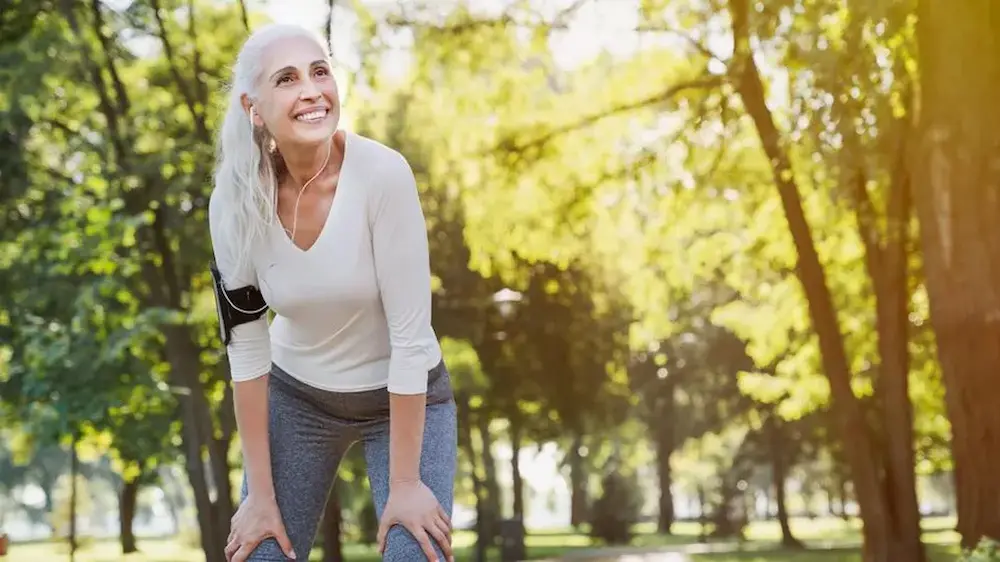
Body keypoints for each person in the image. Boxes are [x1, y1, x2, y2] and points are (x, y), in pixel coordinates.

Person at [208, 23, 456, 562]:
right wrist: (260, 495)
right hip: (300, 399)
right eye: (288, 79)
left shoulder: (383, 175)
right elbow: (247, 351)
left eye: (320, 71)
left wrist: (407, 484)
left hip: (407, 400)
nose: (312, 90)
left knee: (414, 553)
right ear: (254, 107)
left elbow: (411, 338)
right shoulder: (233, 204)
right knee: (260, 552)